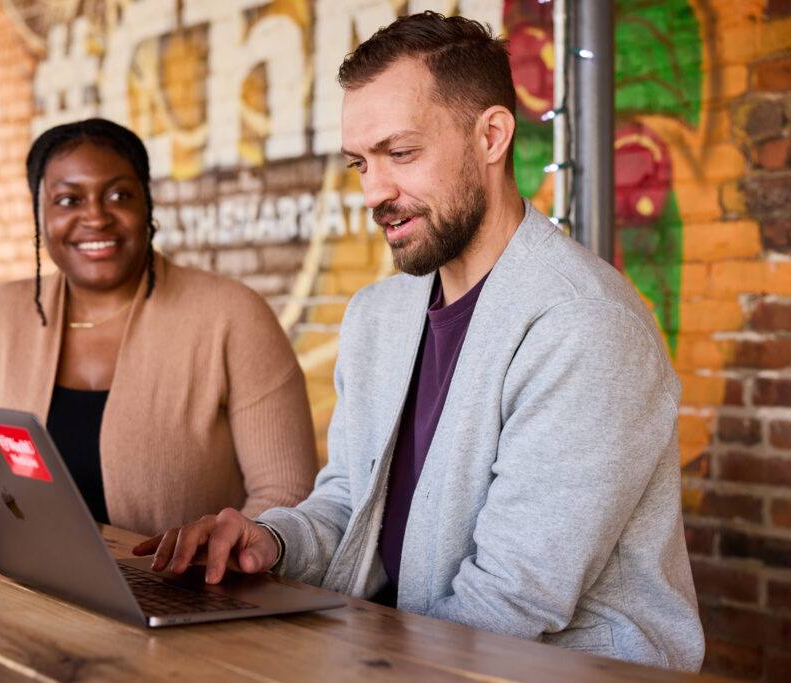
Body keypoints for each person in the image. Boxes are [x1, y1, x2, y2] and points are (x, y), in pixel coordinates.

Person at [133, 13, 705, 671]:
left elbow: (511, 599)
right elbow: (350, 502)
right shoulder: (377, 315)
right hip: (399, 653)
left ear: (491, 135)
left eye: (400, 153)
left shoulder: (586, 326)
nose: (375, 191)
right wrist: (272, 539)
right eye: (360, 163)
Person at [0, 118, 317, 536]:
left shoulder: (232, 316)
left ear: (148, 205)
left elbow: (287, 494)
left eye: (118, 195)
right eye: (69, 200)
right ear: (40, 215)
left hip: (185, 594)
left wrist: (218, 553)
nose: (96, 217)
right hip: (17, 586)